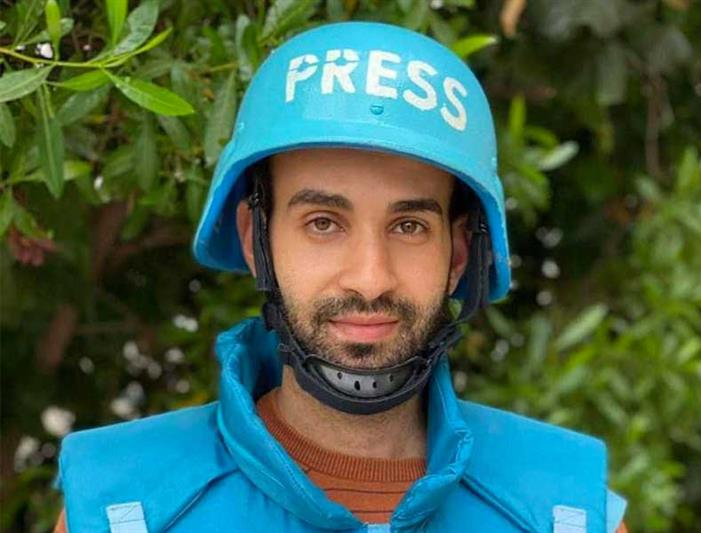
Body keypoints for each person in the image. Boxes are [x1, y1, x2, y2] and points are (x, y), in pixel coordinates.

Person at [54, 21, 627, 533]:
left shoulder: (566, 514)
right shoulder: (120, 510)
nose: (370, 280)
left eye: (408, 226)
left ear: (457, 253)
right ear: (256, 240)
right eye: (323, 223)